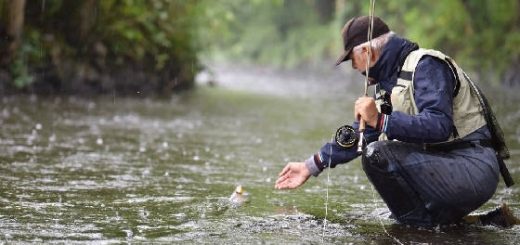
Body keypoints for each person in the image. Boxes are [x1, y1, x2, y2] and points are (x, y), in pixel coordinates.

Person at [274, 16, 518, 228]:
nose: (354, 67)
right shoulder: (386, 86)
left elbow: (438, 125)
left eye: (352, 59)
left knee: (377, 155)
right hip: (443, 166)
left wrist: (380, 120)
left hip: (472, 166)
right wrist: (311, 164)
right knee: (376, 153)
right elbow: (357, 134)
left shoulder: (426, 66)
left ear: (366, 52)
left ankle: (420, 228)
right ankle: (457, 226)